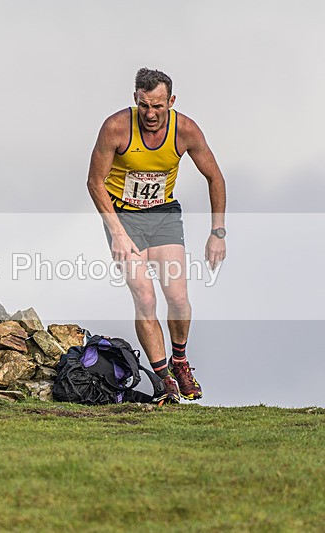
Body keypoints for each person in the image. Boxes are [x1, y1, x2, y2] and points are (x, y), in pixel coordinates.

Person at [86, 68, 226, 404]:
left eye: (158, 107)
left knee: (177, 296)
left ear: (171, 102)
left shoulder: (185, 130)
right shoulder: (116, 127)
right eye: (145, 105)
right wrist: (117, 233)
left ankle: (180, 362)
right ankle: (164, 381)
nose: (151, 114)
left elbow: (215, 178)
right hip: (122, 217)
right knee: (145, 298)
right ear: (135, 99)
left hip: (162, 215)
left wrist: (217, 232)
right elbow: (95, 182)